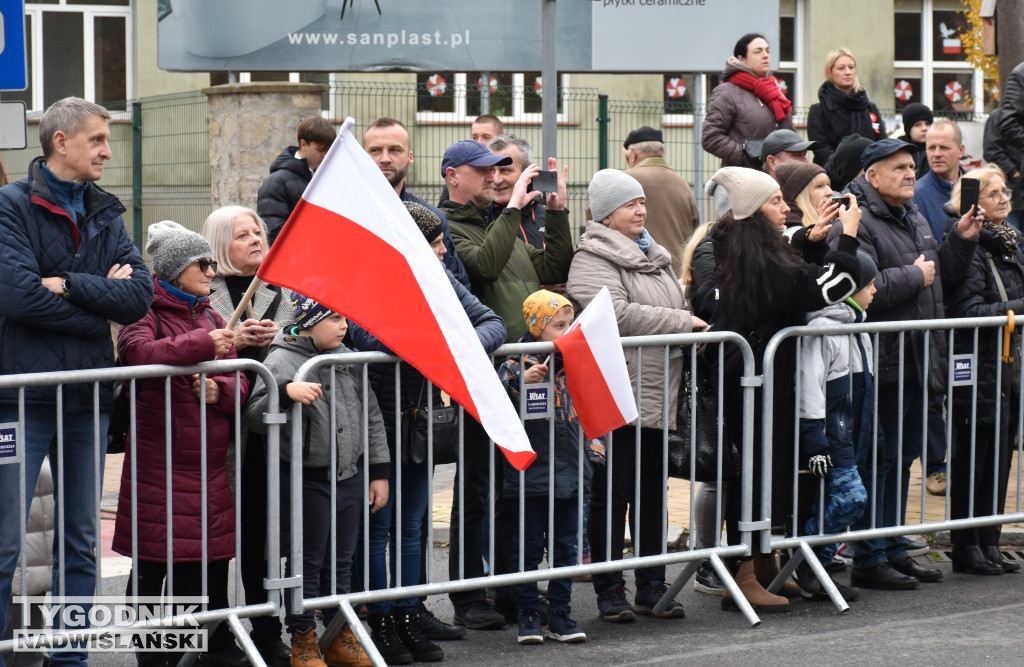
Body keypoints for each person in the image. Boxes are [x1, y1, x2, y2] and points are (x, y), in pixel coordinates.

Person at [0, 96, 153, 666]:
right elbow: (16, 296)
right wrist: (96, 298)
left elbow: (138, 297)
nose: (108, 152)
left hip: (87, 397)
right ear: (60, 141)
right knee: (5, 543)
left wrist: (63, 282)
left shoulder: (106, 211)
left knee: (80, 542)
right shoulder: (10, 207)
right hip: (22, 397)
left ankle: (71, 660)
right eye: (97, 140)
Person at [349, 202, 506, 663]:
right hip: (375, 424)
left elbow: (490, 322)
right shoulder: (368, 279)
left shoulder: (441, 279)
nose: (443, 251)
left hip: (417, 423)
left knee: (412, 530)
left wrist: (455, 351)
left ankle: (407, 616)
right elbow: (360, 335)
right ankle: (378, 623)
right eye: (435, 243)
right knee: (379, 529)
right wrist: (425, 343)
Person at [705, 166, 862, 613]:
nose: (787, 208)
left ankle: (763, 561)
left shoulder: (749, 247)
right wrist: (846, 239)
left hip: (761, 379)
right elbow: (826, 289)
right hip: (751, 381)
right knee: (750, 478)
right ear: (753, 212)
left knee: (768, 472)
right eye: (776, 201)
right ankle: (744, 575)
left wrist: (812, 240)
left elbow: (793, 274)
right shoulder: (753, 258)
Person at [827, 138, 981, 590]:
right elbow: (857, 286)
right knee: (880, 458)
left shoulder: (910, 213)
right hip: (884, 362)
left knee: (905, 456)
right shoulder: (855, 217)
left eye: (911, 167)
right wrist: (915, 275)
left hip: (918, 359)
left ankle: (894, 546)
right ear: (872, 175)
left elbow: (940, 278)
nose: (911, 174)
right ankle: (870, 555)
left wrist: (959, 241)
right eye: (899, 168)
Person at [440, 139, 571, 629]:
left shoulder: (506, 226)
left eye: (500, 172)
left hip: (524, 373)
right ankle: (468, 594)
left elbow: (550, 274)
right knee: (475, 488)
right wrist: (513, 209)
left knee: (512, 487)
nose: (495, 179)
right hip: (487, 372)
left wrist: (555, 217)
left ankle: (511, 588)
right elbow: (483, 268)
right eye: (484, 172)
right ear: (453, 176)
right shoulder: (450, 225)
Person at [567, 169, 705, 622]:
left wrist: (687, 322)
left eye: (642, 202)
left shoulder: (657, 256)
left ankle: (651, 584)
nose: (641, 210)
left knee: (651, 496)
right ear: (607, 214)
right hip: (616, 398)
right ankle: (610, 588)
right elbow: (617, 315)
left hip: (656, 394)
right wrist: (684, 324)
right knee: (612, 494)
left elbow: (676, 305)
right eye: (630, 204)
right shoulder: (591, 258)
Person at [113, 220, 249, 667]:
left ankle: (192, 657)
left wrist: (220, 392)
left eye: (212, 263)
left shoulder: (212, 315)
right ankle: (153, 660)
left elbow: (241, 381)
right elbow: (137, 354)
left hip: (208, 468)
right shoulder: (145, 310)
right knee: (153, 568)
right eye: (203, 263)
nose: (212, 271)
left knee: (200, 568)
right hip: (159, 464)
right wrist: (200, 345)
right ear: (175, 269)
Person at [247, 295, 389, 667]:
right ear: (309, 322)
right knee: (306, 563)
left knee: (341, 562)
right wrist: (285, 392)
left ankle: (339, 634)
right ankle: (304, 639)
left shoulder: (346, 356)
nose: (344, 325)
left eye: (345, 317)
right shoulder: (280, 359)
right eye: (334, 318)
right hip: (305, 479)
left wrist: (379, 471)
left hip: (349, 477)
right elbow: (253, 414)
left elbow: (371, 415)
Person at [201, 205, 293, 667]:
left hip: (268, 433)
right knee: (218, 537)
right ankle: (214, 633)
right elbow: (195, 347)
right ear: (220, 245)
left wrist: (283, 336)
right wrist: (236, 341)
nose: (256, 239)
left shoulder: (283, 291)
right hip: (219, 435)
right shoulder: (205, 293)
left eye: (258, 231)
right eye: (243, 235)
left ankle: (266, 627)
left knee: (261, 533)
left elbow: (308, 340)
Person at [498, 290, 589, 646]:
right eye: (558, 325)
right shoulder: (515, 361)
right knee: (528, 547)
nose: (567, 331)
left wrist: (594, 455)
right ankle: (528, 614)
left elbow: (591, 412)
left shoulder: (576, 360)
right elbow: (498, 406)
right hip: (531, 473)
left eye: (570, 324)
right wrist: (521, 384)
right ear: (537, 328)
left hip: (569, 472)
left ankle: (561, 612)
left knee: (567, 546)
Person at [945, 165, 1024, 576]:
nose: (1004, 199)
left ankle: (990, 540)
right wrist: (1018, 310)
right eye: (993, 194)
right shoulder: (971, 246)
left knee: (1000, 456)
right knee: (973, 456)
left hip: (1005, 367)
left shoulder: (1010, 243)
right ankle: (966, 543)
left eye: (1005, 191)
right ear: (974, 202)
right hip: (978, 365)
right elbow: (968, 310)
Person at [793, 252, 880, 601]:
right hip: (833, 436)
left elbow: (865, 388)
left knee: (842, 501)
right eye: (869, 284)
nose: (875, 290)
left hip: (854, 433)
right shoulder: (822, 329)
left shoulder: (858, 327)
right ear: (850, 288)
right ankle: (808, 560)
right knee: (849, 500)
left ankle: (817, 569)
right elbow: (809, 385)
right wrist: (814, 439)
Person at [363, 117, 470, 290]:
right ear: (363, 157)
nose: (385, 158)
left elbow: (457, 286)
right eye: (375, 150)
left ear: (410, 157)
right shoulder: (343, 213)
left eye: (395, 150)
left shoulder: (434, 218)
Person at [702, 32, 794, 169]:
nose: (765, 55)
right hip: (743, 179)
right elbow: (711, 138)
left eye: (767, 51)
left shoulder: (773, 90)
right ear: (741, 59)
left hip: (778, 176)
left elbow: (789, 132)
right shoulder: (726, 92)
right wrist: (749, 156)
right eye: (758, 51)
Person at [622, 126, 700, 276]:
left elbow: (595, 215)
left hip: (637, 274)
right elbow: (694, 230)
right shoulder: (682, 184)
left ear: (632, 155)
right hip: (677, 274)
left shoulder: (625, 180)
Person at [257, 116, 337, 245]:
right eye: (321, 150)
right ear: (303, 144)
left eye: (329, 150)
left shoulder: (325, 177)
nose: (325, 155)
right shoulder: (276, 182)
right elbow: (273, 231)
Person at [807, 48, 886, 169]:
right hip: (833, 174)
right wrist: (844, 166)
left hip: (869, 171)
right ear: (830, 72)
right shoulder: (819, 111)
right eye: (841, 68)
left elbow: (881, 141)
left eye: (851, 67)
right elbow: (820, 148)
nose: (848, 72)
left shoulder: (870, 108)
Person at [487, 134, 547, 249]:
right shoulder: (479, 218)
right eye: (491, 170)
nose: (496, 179)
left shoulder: (548, 218)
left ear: (527, 173)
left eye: (505, 170)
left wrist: (559, 212)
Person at [914, 119, 966, 244]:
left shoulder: (980, 188)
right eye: (931, 148)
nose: (937, 154)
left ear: (961, 150)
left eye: (944, 148)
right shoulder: (916, 195)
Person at [983, 108, 1023, 231]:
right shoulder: (998, 116)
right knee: (1008, 238)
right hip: (1009, 192)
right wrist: (1014, 173)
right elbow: (992, 151)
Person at [896, 102, 934, 178]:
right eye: (917, 125)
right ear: (908, 129)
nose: (924, 128)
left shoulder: (939, 151)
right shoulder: (897, 152)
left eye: (927, 124)